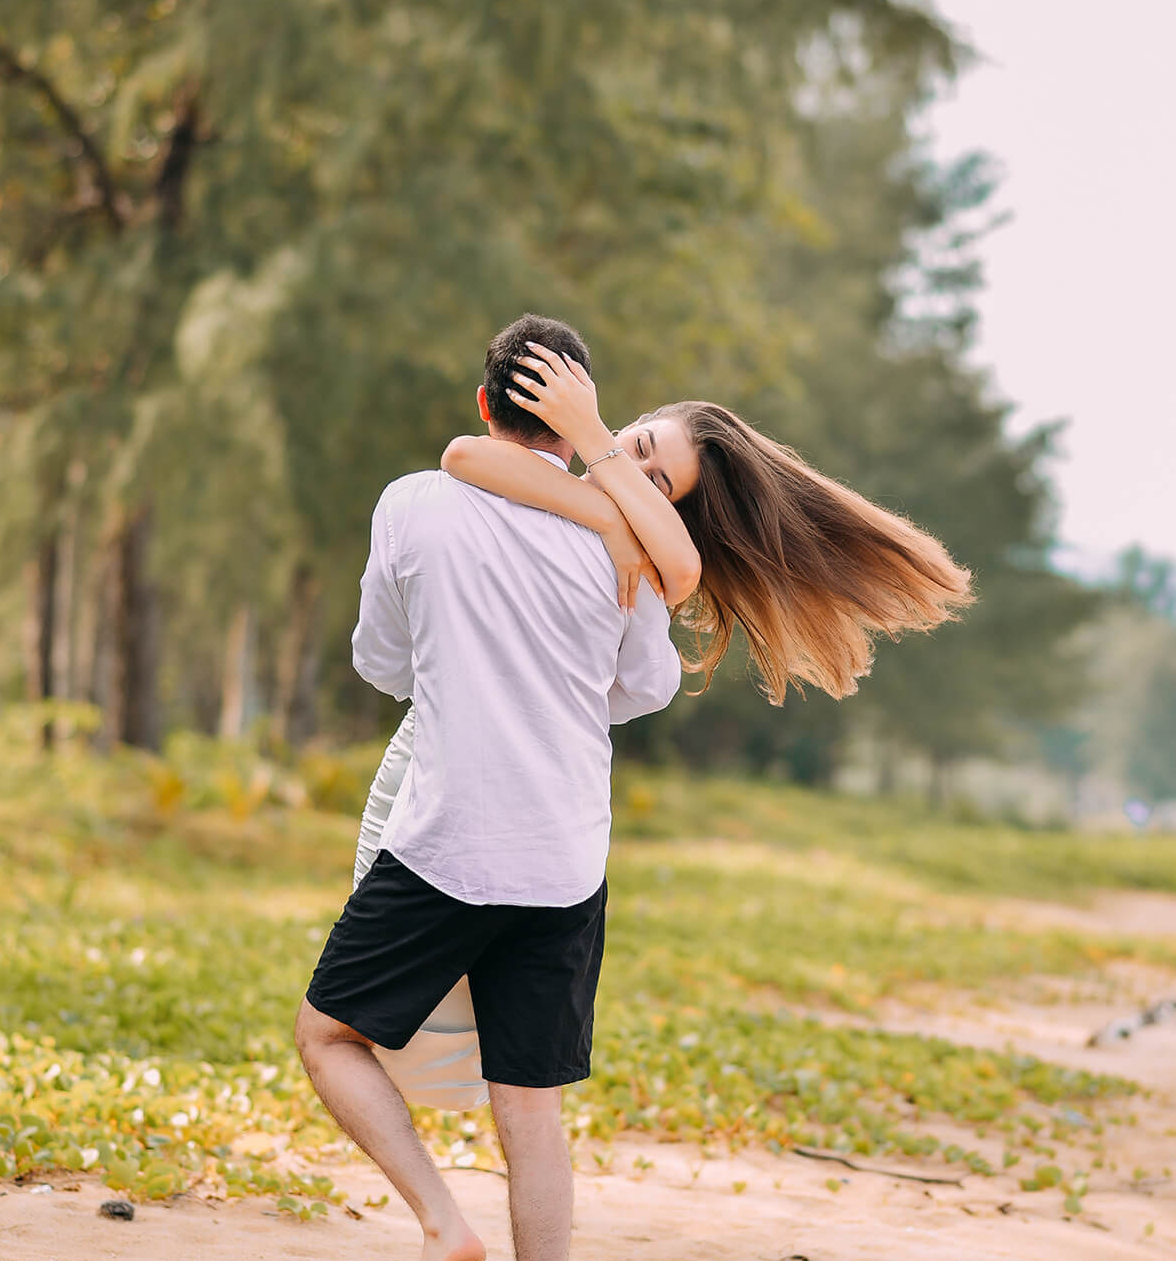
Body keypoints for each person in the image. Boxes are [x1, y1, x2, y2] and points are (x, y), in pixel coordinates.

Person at [358, 336, 974, 1115]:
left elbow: (672, 586)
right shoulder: (573, 510)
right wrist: (604, 507)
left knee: (421, 1036)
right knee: (396, 1015)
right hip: (439, 759)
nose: (633, 472)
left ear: (672, 510)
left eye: (658, 481)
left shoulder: (646, 567)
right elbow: (464, 456)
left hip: (489, 783)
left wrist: (601, 471)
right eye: (640, 444)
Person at [295, 314, 683, 1261]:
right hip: (563, 856)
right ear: (570, 426)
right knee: (530, 1104)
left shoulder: (414, 502)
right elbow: (640, 687)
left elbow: (384, 658)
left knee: (328, 1033)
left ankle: (439, 1220)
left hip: (448, 839)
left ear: (481, 406)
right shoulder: (626, 543)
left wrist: (463, 671)